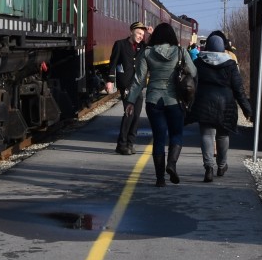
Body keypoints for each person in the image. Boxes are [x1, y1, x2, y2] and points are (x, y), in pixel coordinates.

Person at [125, 23, 197, 186]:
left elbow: (139, 80)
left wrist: (130, 101)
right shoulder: (180, 52)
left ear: (155, 35)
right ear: (172, 36)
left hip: (153, 100)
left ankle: (160, 179)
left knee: (158, 137)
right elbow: (193, 72)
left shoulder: (147, 53)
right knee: (176, 134)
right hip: (174, 100)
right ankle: (171, 164)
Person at [187, 31, 254, 181]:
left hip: (204, 103)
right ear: (222, 49)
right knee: (223, 135)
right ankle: (222, 165)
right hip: (226, 104)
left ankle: (209, 167)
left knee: (206, 135)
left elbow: (191, 84)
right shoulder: (230, 64)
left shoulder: (199, 63)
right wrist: (247, 109)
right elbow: (239, 89)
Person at [106, 21, 148, 154]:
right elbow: (113, 63)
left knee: (136, 116)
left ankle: (130, 143)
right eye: (138, 33)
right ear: (131, 31)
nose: (141, 36)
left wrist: (151, 35)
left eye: (143, 34)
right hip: (126, 84)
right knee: (129, 114)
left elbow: (152, 50)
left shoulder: (144, 47)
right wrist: (110, 81)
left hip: (138, 85)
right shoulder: (120, 44)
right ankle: (122, 144)